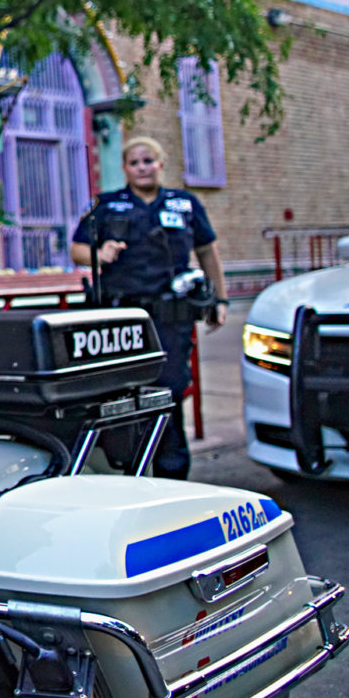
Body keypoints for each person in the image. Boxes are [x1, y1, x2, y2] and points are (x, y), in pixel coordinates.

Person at [72, 137, 228, 480]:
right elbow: (78, 249)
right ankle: (129, 469)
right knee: (121, 393)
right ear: (125, 168)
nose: (142, 167)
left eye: (149, 161)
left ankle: (172, 474)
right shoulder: (107, 204)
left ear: (161, 164)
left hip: (170, 317)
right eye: (134, 162)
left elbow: (207, 250)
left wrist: (219, 298)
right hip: (121, 318)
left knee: (170, 390)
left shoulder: (184, 203)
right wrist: (101, 254)